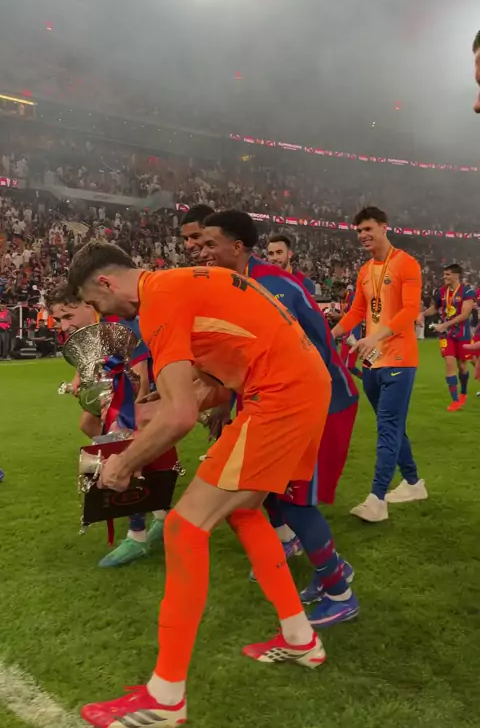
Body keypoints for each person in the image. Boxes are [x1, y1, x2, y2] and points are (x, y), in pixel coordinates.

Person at [67, 240, 332, 728]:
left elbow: (181, 415)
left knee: (184, 527)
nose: (103, 313)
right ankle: (301, 639)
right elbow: (212, 383)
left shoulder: (160, 301)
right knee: (243, 511)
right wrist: (161, 409)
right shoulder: (178, 285)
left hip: (279, 396)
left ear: (105, 282)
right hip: (295, 387)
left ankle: (165, 696)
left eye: (95, 302)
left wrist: (123, 464)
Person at [201, 210, 359, 627]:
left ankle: (340, 593)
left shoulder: (273, 288)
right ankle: (332, 571)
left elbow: (301, 355)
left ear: (237, 247)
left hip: (320, 402)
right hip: (288, 402)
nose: (203, 252)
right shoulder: (240, 283)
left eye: (210, 244)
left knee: (293, 498)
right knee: (275, 493)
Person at [47, 284, 169, 568]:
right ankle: (161, 510)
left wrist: (128, 421)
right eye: (59, 320)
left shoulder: (121, 324)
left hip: (158, 392)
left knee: (120, 445)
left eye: (68, 316)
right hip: (123, 391)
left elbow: (140, 378)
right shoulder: (91, 330)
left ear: (89, 305)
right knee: (89, 424)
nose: (64, 326)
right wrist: (80, 383)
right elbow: (86, 367)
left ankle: (137, 535)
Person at [332, 206, 427, 523]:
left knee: (387, 427)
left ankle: (377, 499)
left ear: (384, 227)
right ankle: (413, 483)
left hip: (399, 358)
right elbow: (357, 312)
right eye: (359, 231)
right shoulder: (364, 270)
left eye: (368, 229)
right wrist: (330, 334)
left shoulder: (406, 263)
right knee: (392, 426)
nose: (363, 235)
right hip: (372, 362)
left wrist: (375, 337)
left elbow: (410, 310)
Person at [420, 264, 476, 411]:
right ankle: (455, 400)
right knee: (449, 362)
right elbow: (435, 308)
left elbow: (465, 314)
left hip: (462, 333)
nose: (444, 277)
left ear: (457, 275)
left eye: (448, 274)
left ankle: (463, 393)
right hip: (446, 334)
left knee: (462, 366)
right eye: (444, 274)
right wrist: (422, 314)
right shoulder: (441, 291)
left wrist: (445, 324)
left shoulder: (467, 291)